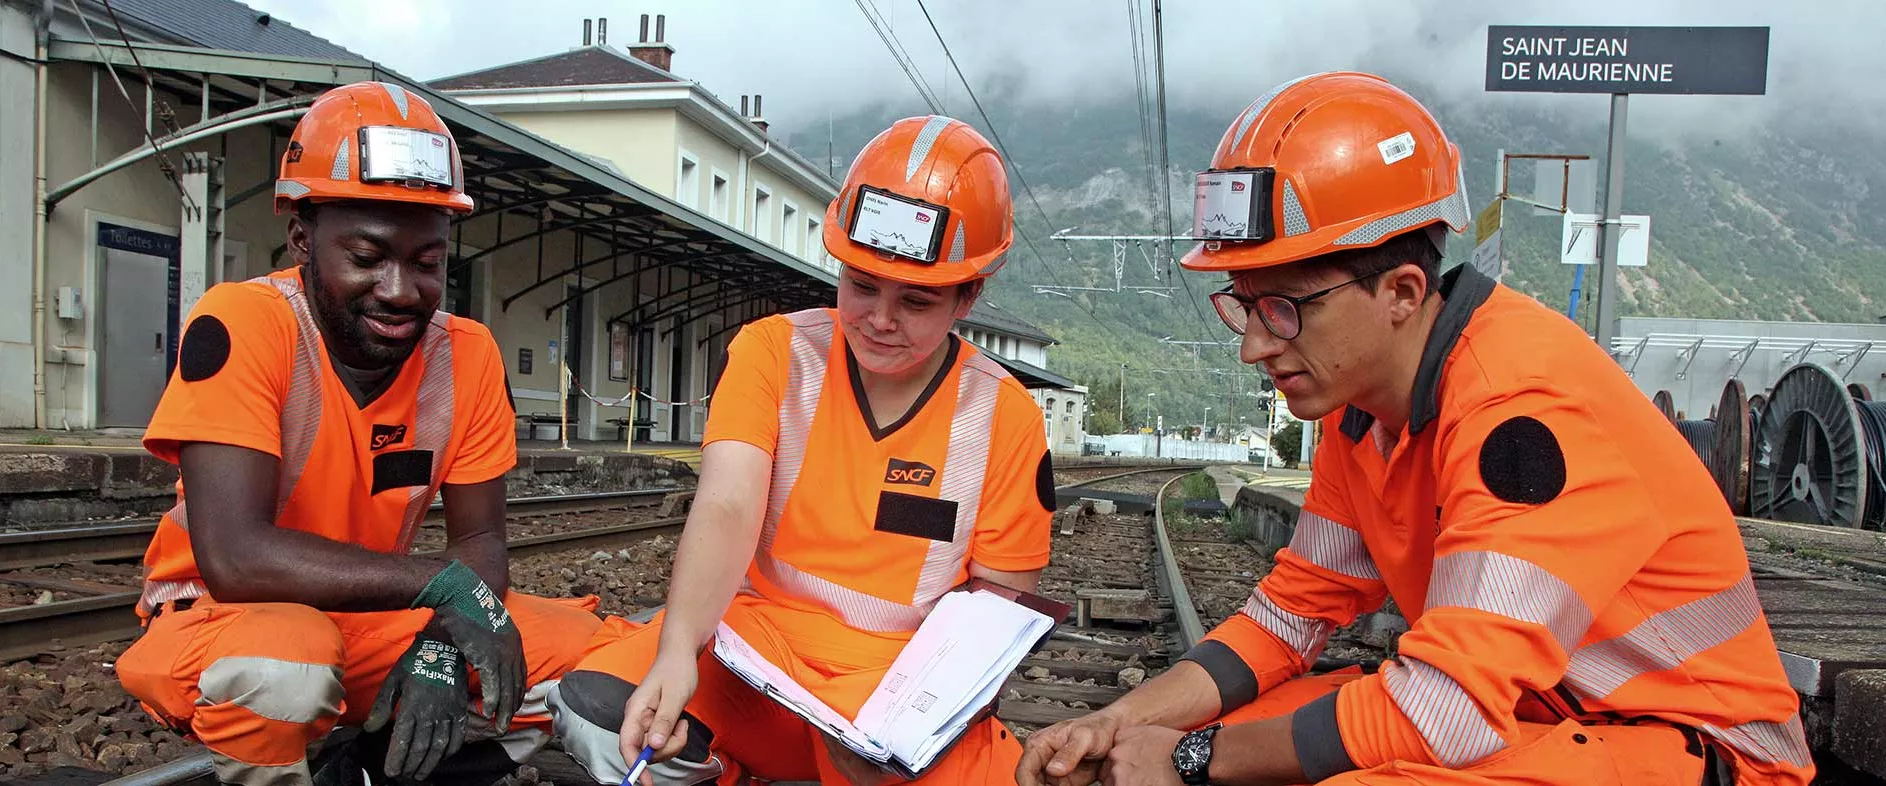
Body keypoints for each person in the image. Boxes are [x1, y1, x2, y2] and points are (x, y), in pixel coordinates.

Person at [1016, 71, 1813, 786]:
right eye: (1242, 304)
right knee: (1241, 736)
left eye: (1284, 308)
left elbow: (1444, 711)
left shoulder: (1522, 415)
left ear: (1401, 290)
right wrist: (1125, 723)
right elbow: (1287, 616)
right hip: (1548, 718)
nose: (1254, 345)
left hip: (1699, 750)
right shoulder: (1360, 414)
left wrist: (1190, 760)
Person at [115, 81, 603, 786]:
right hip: (225, 619)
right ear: (303, 239)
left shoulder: (467, 355)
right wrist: (441, 586)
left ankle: (373, 768)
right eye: (368, 257)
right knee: (290, 665)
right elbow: (235, 556)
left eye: (428, 263)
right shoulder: (243, 324)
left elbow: (482, 548)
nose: (401, 289)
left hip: (376, 617)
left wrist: (438, 651)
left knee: (593, 649)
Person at [544, 115, 1057, 786]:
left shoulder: (1005, 416)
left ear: (970, 295)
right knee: (605, 713)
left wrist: (914, 733)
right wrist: (677, 651)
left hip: (894, 683)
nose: (879, 318)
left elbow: (997, 616)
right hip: (754, 650)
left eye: (916, 301)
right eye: (862, 285)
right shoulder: (773, 353)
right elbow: (726, 503)